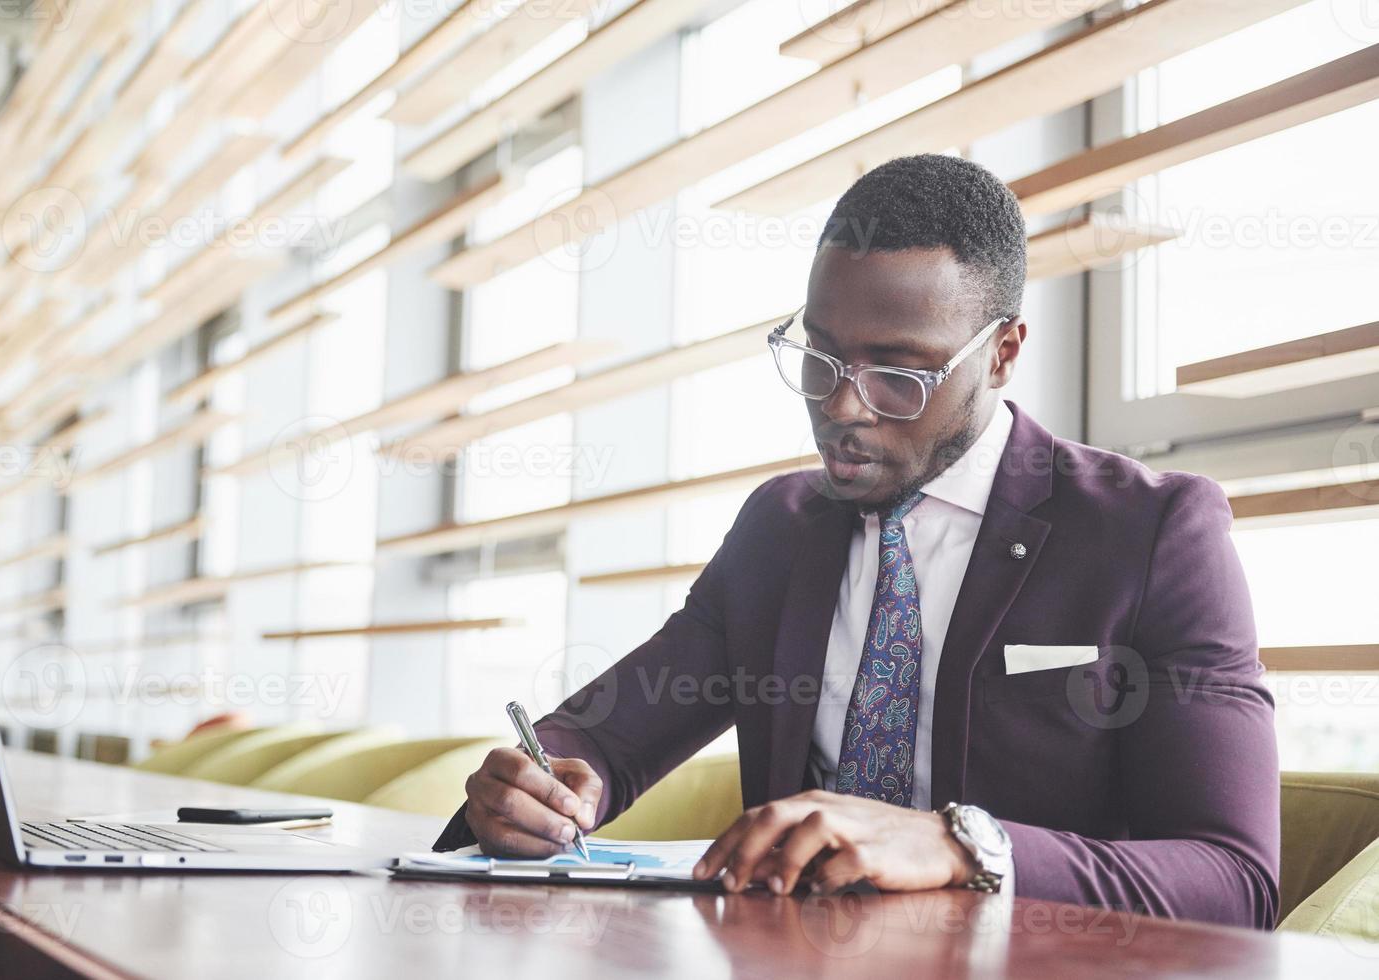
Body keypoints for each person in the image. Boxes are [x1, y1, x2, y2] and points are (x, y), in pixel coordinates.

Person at [436, 154, 1279, 929]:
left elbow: (1233, 877)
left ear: (1002, 354)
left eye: (898, 373)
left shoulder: (1150, 533)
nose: (842, 406)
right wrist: (537, 787)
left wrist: (963, 846)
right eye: (820, 357)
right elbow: (608, 740)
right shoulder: (780, 528)